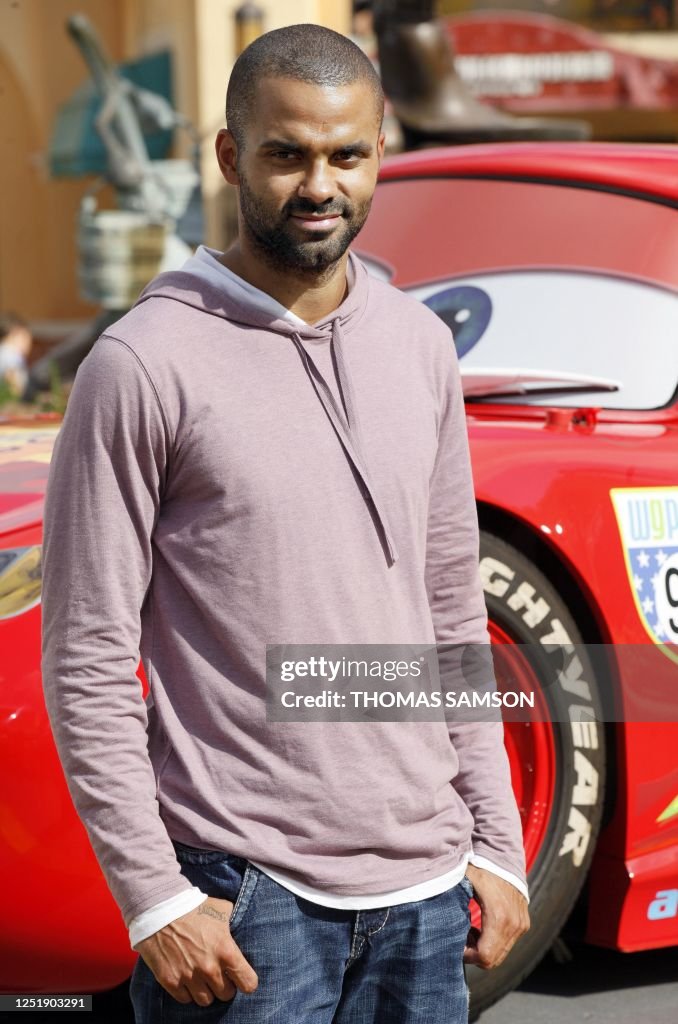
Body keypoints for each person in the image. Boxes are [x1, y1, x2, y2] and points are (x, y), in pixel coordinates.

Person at [41, 23, 530, 1024]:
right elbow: (86, 650)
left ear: (380, 154)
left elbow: (449, 610)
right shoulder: (143, 364)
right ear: (231, 157)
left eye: (347, 154)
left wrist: (499, 842)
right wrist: (154, 898)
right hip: (243, 900)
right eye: (287, 153)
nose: (320, 184)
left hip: (428, 898)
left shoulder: (422, 346)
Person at [0, 312, 33, 399]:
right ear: (15, 333)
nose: (29, 341)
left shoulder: (4, 352)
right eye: (26, 335)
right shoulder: (11, 355)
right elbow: (16, 389)